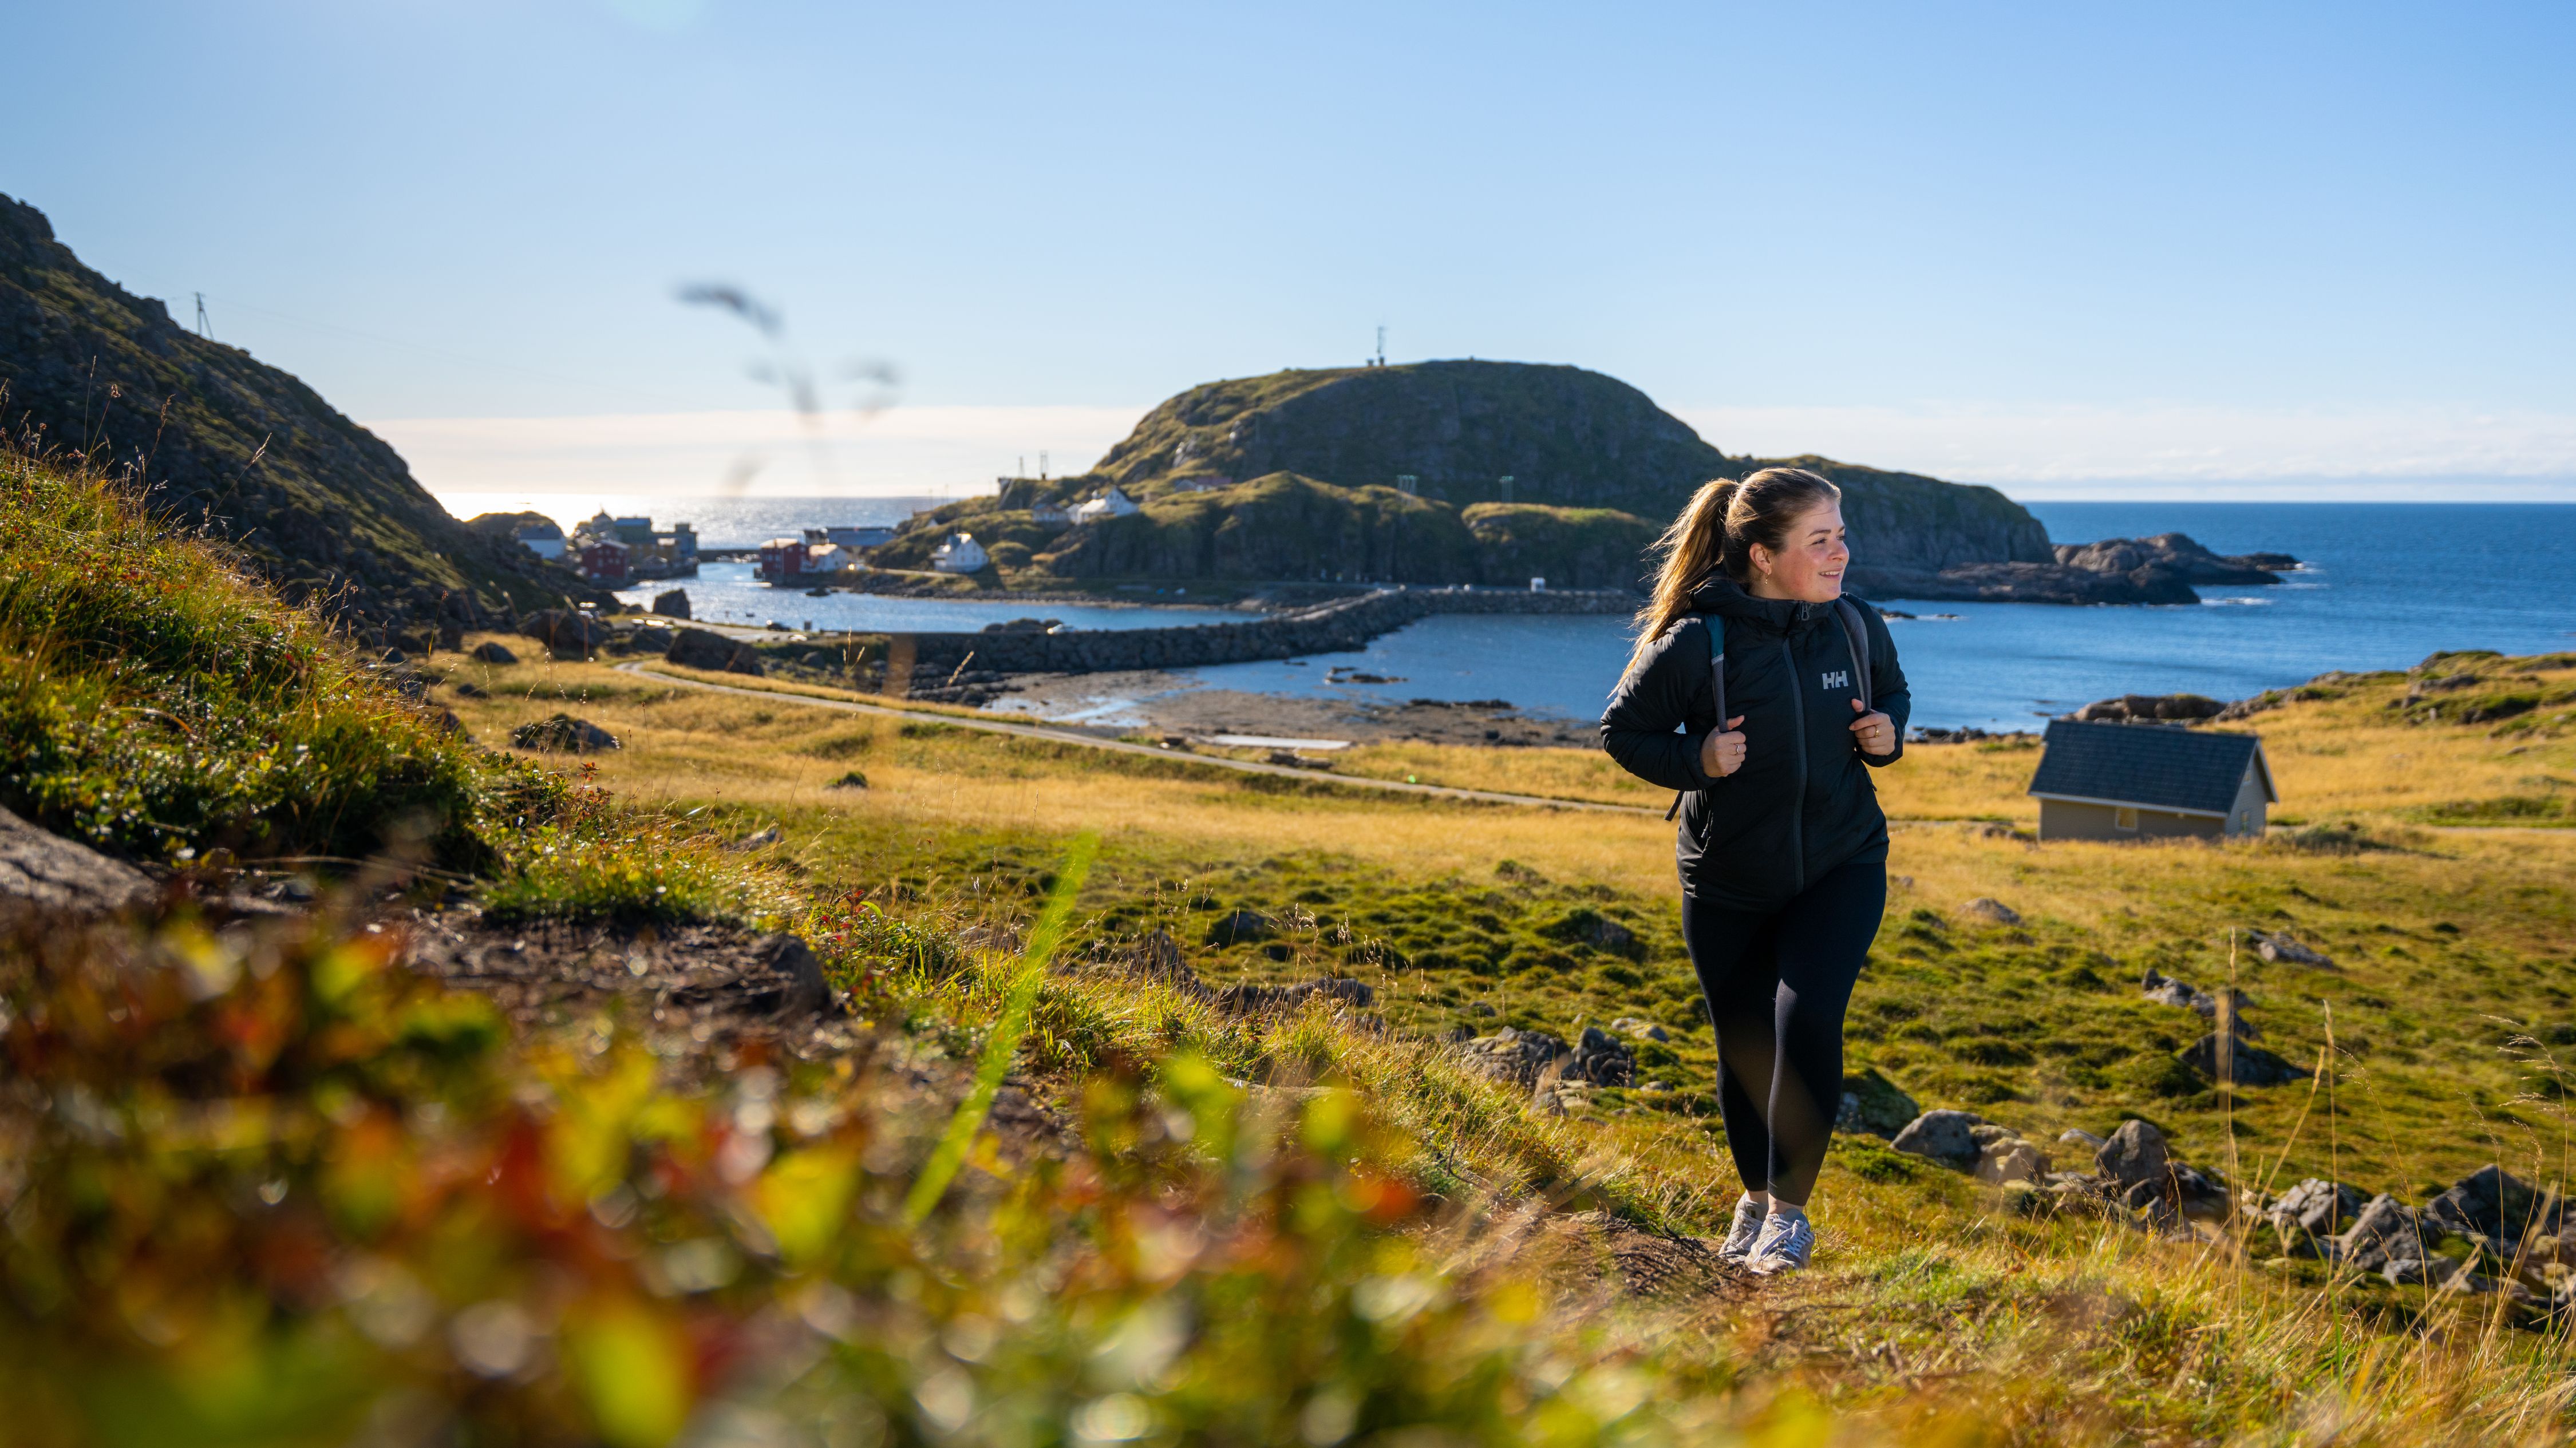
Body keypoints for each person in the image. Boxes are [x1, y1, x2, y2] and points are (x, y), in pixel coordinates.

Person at [1598, 467, 1909, 1276]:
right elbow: (1623, 731)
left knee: (1805, 1020)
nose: (1843, 552)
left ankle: (1789, 1218)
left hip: (1842, 862)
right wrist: (1695, 757)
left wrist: (1888, 731)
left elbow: (1896, 694)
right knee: (1743, 1045)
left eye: (1841, 534)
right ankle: (1752, 1199)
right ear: (1764, 556)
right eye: (1822, 539)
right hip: (1728, 879)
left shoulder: (1854, 626)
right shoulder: (1698, 640)